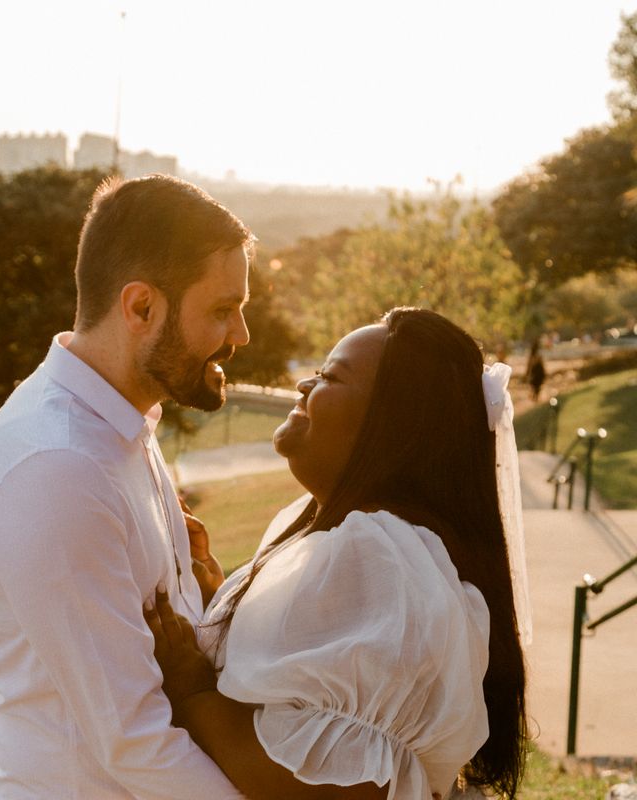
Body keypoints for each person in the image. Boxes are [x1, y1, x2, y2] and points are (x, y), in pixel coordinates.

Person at [145, 307, 530, 800]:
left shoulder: (381, 557)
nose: (305, 384)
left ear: (390, 426)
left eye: (330, 375)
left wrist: (194, 692)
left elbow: (348, 784)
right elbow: (299, 693)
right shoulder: (345, 538)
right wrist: (219, 599)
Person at [0, 174, 253, 799]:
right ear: (141, 307)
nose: (241, 336)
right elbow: (134, 739)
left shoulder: (120, 423)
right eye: (223, 310)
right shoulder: (57, 466)